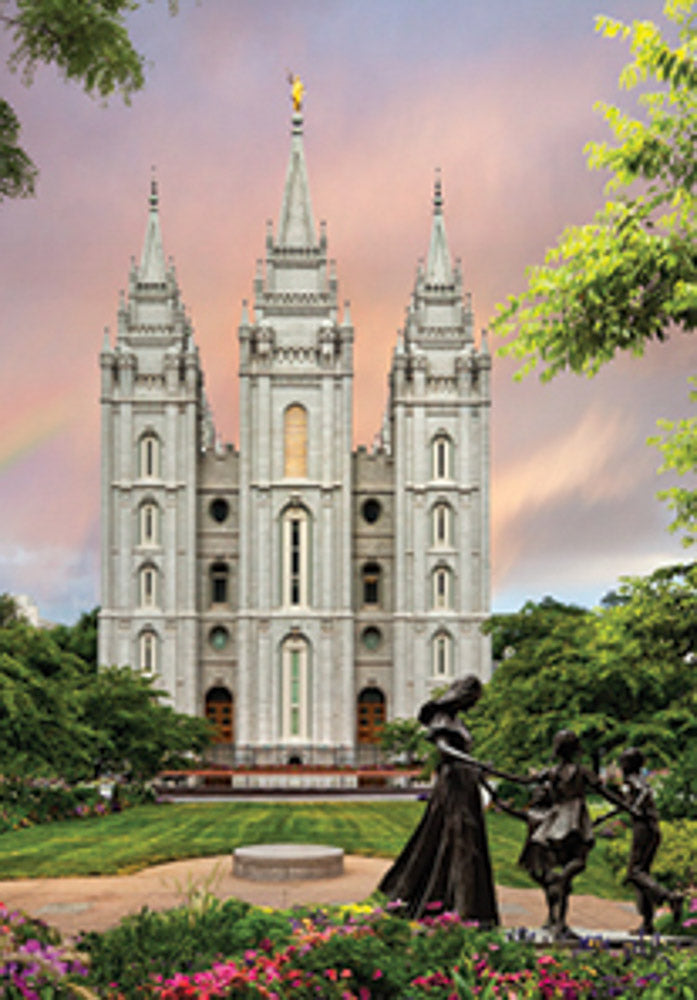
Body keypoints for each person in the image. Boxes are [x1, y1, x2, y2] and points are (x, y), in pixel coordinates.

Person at [378, 675, 499, 925]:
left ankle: (467, 905)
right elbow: (443, 749)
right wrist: (472, 762)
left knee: (466, 841)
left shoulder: (458, 721)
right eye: (472, 699)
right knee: (458, 839)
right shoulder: (441, 717)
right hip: (453, 785)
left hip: (466, 784)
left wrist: (477, 769)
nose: (473, 706)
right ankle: (457, 908)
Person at [530, 729, 632, 939]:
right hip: (575, 819)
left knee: (563, 867)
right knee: (578, 862)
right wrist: (626, 805)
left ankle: (558, 920)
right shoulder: (582, 771)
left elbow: (524, 780)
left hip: (557, 821)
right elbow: (603, 792)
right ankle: (559, 913)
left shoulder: (552, 772)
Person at [618, 747, 683, 934]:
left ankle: (669, 896)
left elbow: (644, 792)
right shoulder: (638, 779)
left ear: (630, 764)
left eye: (623, 761)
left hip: (644, 828)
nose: (621, 766)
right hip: (652, 828)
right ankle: (647, 924)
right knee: (642, 875)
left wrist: (635, 807)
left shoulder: (633, 779)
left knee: (635, 872)